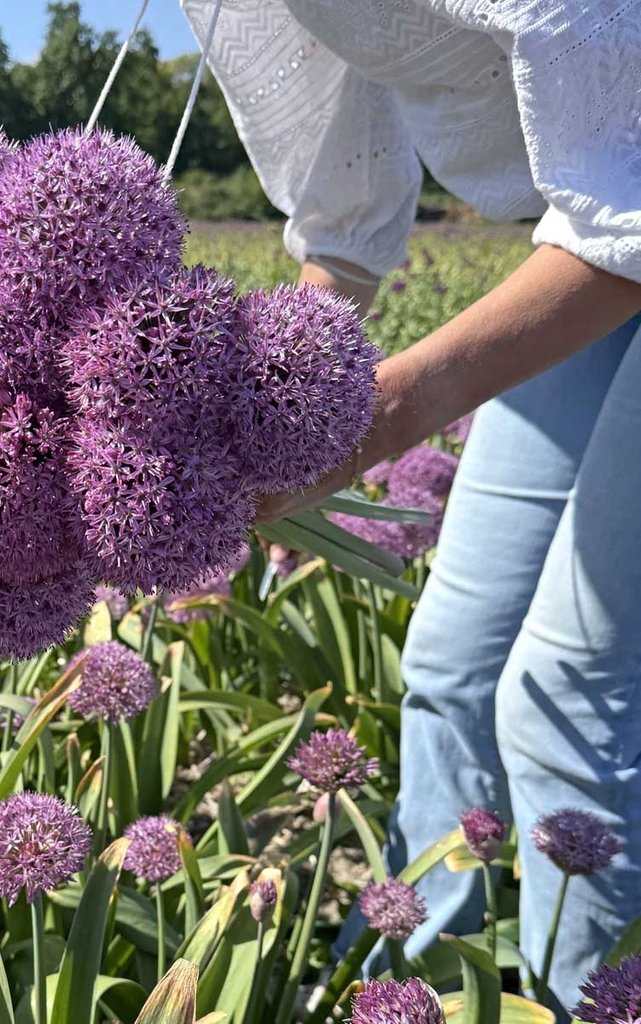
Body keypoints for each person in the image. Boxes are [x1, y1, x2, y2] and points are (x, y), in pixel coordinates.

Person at [180, 0, 641, 1015]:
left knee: (564, 699)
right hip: (590, 239)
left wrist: (378, 416)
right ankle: (410, 980)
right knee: (450, 665)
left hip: (619, 231)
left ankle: (588, 1002)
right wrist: (272, 415)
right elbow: (343, 219)